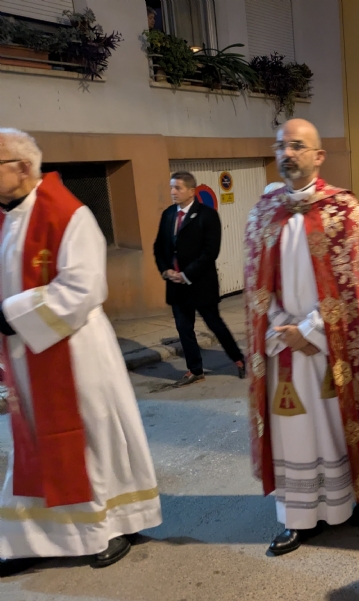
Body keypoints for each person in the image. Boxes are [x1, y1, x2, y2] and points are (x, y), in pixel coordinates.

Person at [243, 118, 359, 556]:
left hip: (332, 347)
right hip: (281, 346)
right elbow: (255, 284)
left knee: (335, 427)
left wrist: (311, 331)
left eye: (296, 146)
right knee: (293, 432)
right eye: (280, 147)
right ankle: (298, 517)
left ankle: (346, 502)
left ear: (318, 156)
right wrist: (282, 331)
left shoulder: (344, 212)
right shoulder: (262, 213)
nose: (286, 154)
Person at [0, 129, 161, 573]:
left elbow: (85, 287)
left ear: (23, 168)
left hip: (74, 354)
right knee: (30, 443)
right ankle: (28, 539)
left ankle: (107, 527)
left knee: (88, 439)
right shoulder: (4, 219)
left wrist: (11, 314)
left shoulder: (70, 214)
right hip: (22, 356)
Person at [154, 171, 246, 386]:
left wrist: (187, 274)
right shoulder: (168, 214)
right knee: (184, 328)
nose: (173, 192)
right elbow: (159, 247)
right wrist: (166, 270)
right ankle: (195, 369)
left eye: (178, 188)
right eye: (171, 188)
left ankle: (239, 359)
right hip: (176, 286)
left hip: (200, 284)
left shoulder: (207, 215)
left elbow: (210, 251)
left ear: (191, 191)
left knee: (215, 325)